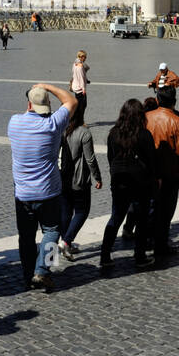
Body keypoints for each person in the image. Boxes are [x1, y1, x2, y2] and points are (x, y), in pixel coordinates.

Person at [8, 82, 76, 290]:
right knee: (52, 231)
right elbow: (71, 100)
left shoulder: (14, 123)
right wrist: (47, 86)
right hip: (49, 191)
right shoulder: (53, 124)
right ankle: (43, 271)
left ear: (29, 104)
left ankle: (28, 274)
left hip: (23, 193)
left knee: (26, 237)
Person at [100, 99, 158, 273]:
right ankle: (139, 256)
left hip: (119, 181)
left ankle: (105, 255)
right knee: (141, 220)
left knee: (116, 217)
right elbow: (151, 161)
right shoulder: (144, 134)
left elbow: (111, 158)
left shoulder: (113, 133)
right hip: (140, 183)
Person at [145, 86, 179, 257]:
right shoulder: (177, 121)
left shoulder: (147, 117)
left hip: (149, 173)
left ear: (158, 100)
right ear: (174, 101)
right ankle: (161, 244)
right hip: (169, 173)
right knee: (165, 211)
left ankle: (147, 240)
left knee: (150, 207)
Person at [58, 100, 101, 259]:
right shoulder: (84, 133)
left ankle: (65, 242)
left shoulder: (60, 130)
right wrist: (97, 176)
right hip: (78, 179)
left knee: (66, 211)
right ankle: (67, 241)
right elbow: (90, 159)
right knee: (82, 211)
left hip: (62, 177)